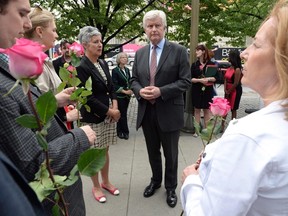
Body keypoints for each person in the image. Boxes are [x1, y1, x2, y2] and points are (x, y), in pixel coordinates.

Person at [181, 0, 288, 215]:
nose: (244, 53)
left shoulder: (248, 137)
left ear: (281, 60)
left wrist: (191, 183)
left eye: (256, 44)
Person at [0, 1, 97, 215]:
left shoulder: (11, 66)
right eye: (21, 13)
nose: (27, 25)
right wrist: (79, 137)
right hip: (50, 197)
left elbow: (29, 110)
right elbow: (33, 164)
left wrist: (55, 103)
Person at [131, 10, 191, 208]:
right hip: (147, 112)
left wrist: (161, 91)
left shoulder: (179, 51)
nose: (154, 29)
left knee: (171, 154)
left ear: (165, 28)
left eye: (158, 25)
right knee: (152, 152)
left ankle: (171, 187)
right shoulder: (140, 53)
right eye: (150, 26)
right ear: (145, 29)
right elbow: (133, 80)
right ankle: (155, 181)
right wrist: (140, 92)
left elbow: (185, 81)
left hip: (169, 112)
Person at [77, 26, 121, 203]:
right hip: (93, 116)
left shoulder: (102, 62)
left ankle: (106, 182)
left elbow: (111, 88)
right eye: (95, 42)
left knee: (105, 150)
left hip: (109, 115)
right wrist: (110, 111)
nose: (100, 45)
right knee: (94, 152)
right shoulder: (81, 67)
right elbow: (87, 98)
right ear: (85, 45)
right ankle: (95, 186)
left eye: (100, 41)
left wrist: (116, 108)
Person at [24, 7, 79, 129]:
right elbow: (33, 108)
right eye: (53, 30)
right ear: (40, 31)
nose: (56, 35)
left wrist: (62, 103)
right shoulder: (30, 63)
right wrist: (65, 116)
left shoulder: (43, 60)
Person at [191, 44, 217, 137]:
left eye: (198, 50)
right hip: (197, 90)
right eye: (196, 50)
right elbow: (191, 79)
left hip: (208, 90)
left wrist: (208, 79)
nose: (196, 52)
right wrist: (200, 80)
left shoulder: (212, 64)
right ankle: (197, 131)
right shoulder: (194, 65)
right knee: (197, 110)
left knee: (207, 110)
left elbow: (216, 78)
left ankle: (207, 131)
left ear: (203, 51)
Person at [111, 52, 133, 140]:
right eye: (122, 57)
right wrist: (125, 91)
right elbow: (114, 84)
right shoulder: (115, 70)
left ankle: (120, 130)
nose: (124, 59)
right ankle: (124, 132)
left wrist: (131, 89)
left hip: (127, 96)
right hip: (120, 96)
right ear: (119, 59)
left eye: (125, 57)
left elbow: (130, 80)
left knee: (123, 113)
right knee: (122, 114)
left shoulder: (127, 70)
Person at [221, 49, 242, 131]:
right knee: (225, 108)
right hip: (227, 89)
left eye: (229, 55)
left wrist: (229, 91)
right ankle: (222, 126)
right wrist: (225, 89)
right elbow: (225, 79)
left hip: (235, 91)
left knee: (233, 109)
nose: (228, 57)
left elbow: (236, 83)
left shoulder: (237, 69)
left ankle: (232, 127)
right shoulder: (230, 67)